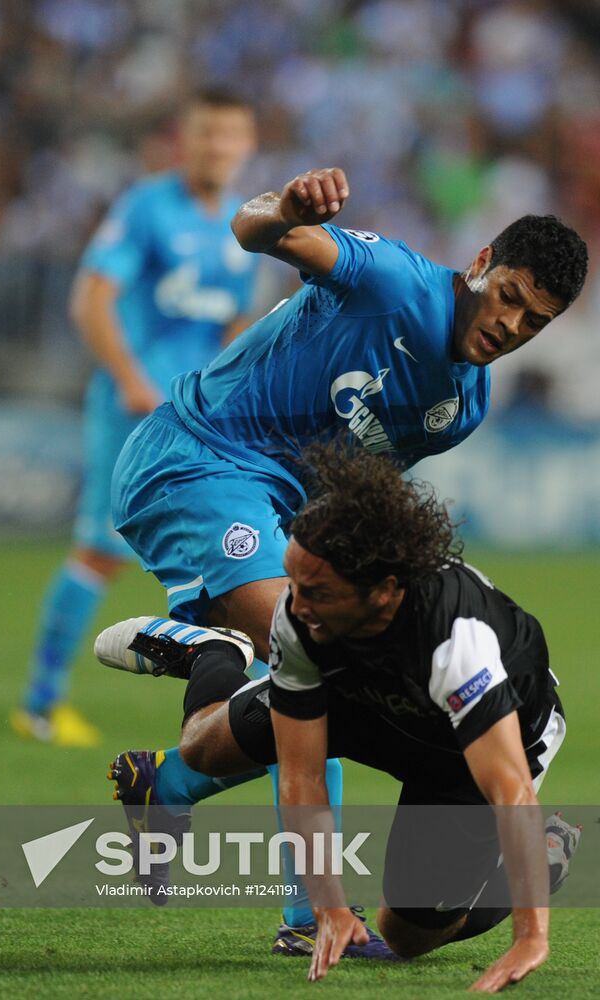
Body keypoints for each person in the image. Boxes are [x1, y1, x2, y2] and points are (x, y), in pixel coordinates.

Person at [95, 166, 587, 946]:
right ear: (482, 262)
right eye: (510, 298)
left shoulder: (463, 406)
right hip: (197, 456)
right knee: (314, 664)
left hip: (281, 513)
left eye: (535, 322)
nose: (511, 326)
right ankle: (306, 914)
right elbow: (256, 231)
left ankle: (185, 740)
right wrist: (283, 209)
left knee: (333, 674)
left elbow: (351, 491)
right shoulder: (391, 281)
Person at [101, 447, 581, 992]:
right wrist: (327, 905)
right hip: (361, 695)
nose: (294, 606)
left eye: (318, 592)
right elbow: (302, 775)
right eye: (293, 581)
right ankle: (211, 653)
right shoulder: (305, 617)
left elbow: (510, 790)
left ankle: (546, 856)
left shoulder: (454, 638)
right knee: (201, 750)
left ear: (383, 593)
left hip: (462, 752)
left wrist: (531, 934)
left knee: (407, 935)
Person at [10, 89, 258, 746]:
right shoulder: (147, 207)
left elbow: (235, 322)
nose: (218, 148)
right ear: (186, 141)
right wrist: (130, 380)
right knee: (100, 549)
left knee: (234, 549)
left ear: (248, 146)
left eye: (230, 137)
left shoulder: (243, 222)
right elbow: (91, 299)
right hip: (136, 407)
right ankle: (40, 703)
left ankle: (241, 699)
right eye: (206, 135)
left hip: (199, 417)